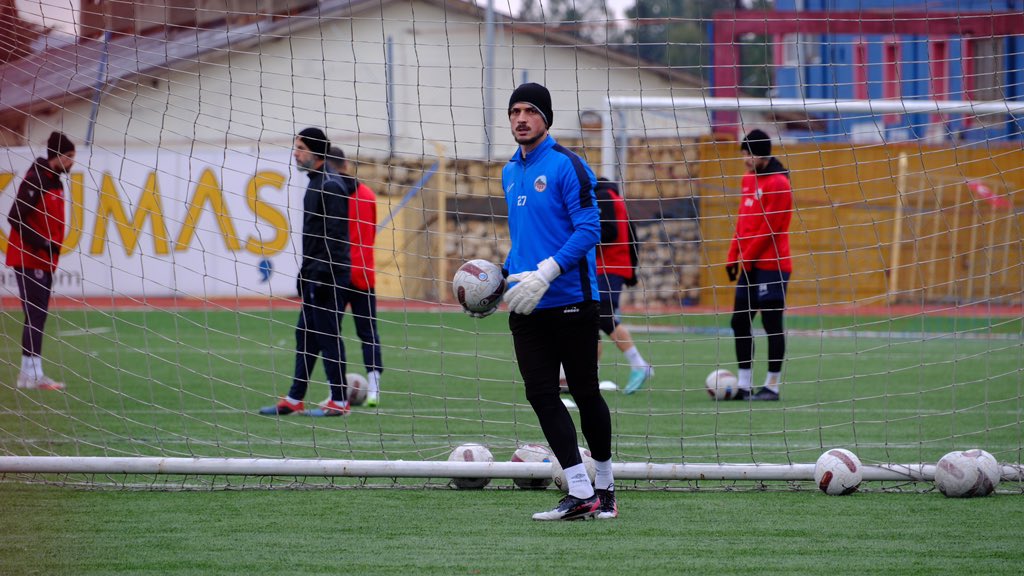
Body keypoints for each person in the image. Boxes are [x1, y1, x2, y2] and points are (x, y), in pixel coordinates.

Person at [500, 82, 617, 520]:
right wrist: (501, 278)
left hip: (571, 300)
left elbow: (590, 230)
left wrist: (548, 272)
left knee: (585, 393)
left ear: (545, 117)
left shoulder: (569, 165)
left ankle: (605, 486)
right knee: (541, 394)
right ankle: (581, 490)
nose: (521, 118)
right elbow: (523, 242)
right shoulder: (510, 171)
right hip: (528, 306)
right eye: (514, 111)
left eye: (530, 110)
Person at [259, 128, 355, 417]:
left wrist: (323, 275)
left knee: (327, 336)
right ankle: (294, 398)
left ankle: (339, 401)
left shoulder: (329, 186)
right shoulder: (316, 183)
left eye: (300, 148)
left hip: (328, 277)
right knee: (305, 335)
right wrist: (305, 274)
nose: (295, 153)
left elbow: (336, 238)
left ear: (315, 151)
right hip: (315, 274)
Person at [726, 129, 793, 401]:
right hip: (749, 264)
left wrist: (747, 258)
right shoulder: (748, 179)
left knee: (771, 323)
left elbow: (771, 228)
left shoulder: (779, 183)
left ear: (763, 153)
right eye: (744, 153)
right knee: (739, 321)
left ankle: (772, 386)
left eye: (750, 154)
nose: (746, 159)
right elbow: (743, 221)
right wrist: (733, 255)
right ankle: (744, 386)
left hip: (772, 265)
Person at [7, 131, 76, 391]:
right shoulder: (37, 179)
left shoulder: (54, 179)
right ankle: (33, 374)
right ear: (57, 156)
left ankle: (28, 373)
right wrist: (42, 243)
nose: (72, 163)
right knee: (35, 314)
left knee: (37, 315)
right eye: (69, 157)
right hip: (30, 257)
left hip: (44, 259)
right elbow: (15, 217)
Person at [325, 147, 383, 407]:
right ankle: (374, 390)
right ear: (346, 163)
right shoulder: (368, 194)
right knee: (368, 334)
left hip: (337, 273)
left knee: (331, 334)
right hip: (364, 273)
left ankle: (335, 393)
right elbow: (370, 233)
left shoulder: (328, 192)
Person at [593, 178, 653, 395]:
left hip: (608, 267)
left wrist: (582, 239)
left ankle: (639, 364)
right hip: (609, 267)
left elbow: (609, 232)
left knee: (602, 316)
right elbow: (632, 235)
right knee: (591, 321)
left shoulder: (602, 196)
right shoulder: (614, 198)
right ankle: (589, 377)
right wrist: (632, 270)